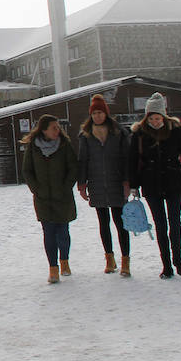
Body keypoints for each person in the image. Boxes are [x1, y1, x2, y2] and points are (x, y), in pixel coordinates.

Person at [128, 93, 181, 279]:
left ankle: (178, 259)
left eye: (158, 117)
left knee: (174, 222)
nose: (154, 121)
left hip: (173, 182)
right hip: (151, 184)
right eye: (151, 118)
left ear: (164, 116)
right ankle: (166, 264)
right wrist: (133, 185)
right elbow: (132, 160)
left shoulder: (175, 130)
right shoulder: (139, 133)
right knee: (160, 225)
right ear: (147, 117)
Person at [76, 94, 133, 277]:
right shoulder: (85, 135)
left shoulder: (119, 132)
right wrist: (82, 184)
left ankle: (125, 261)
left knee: (120, 222)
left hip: (116, 183)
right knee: (103, 223)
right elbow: (82, 160)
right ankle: (109, 258)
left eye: (100, 112)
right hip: (97, 184)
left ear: (106, 114)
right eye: (94, 113)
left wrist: (127, 181)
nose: (97, 116)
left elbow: (126, 158)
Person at [20, 115, 79, 284]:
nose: (57, 130)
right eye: (54, 127)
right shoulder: (33, 148)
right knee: (48, 233)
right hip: (43, 198)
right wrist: (36, 189)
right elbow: (27, 171)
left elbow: (73, 168)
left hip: (62, 197)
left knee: (63, 232)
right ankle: (53, 268)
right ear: (43, 129)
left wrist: (66, 186)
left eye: (57, 127)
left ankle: (64, 261)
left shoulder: (64, 145)